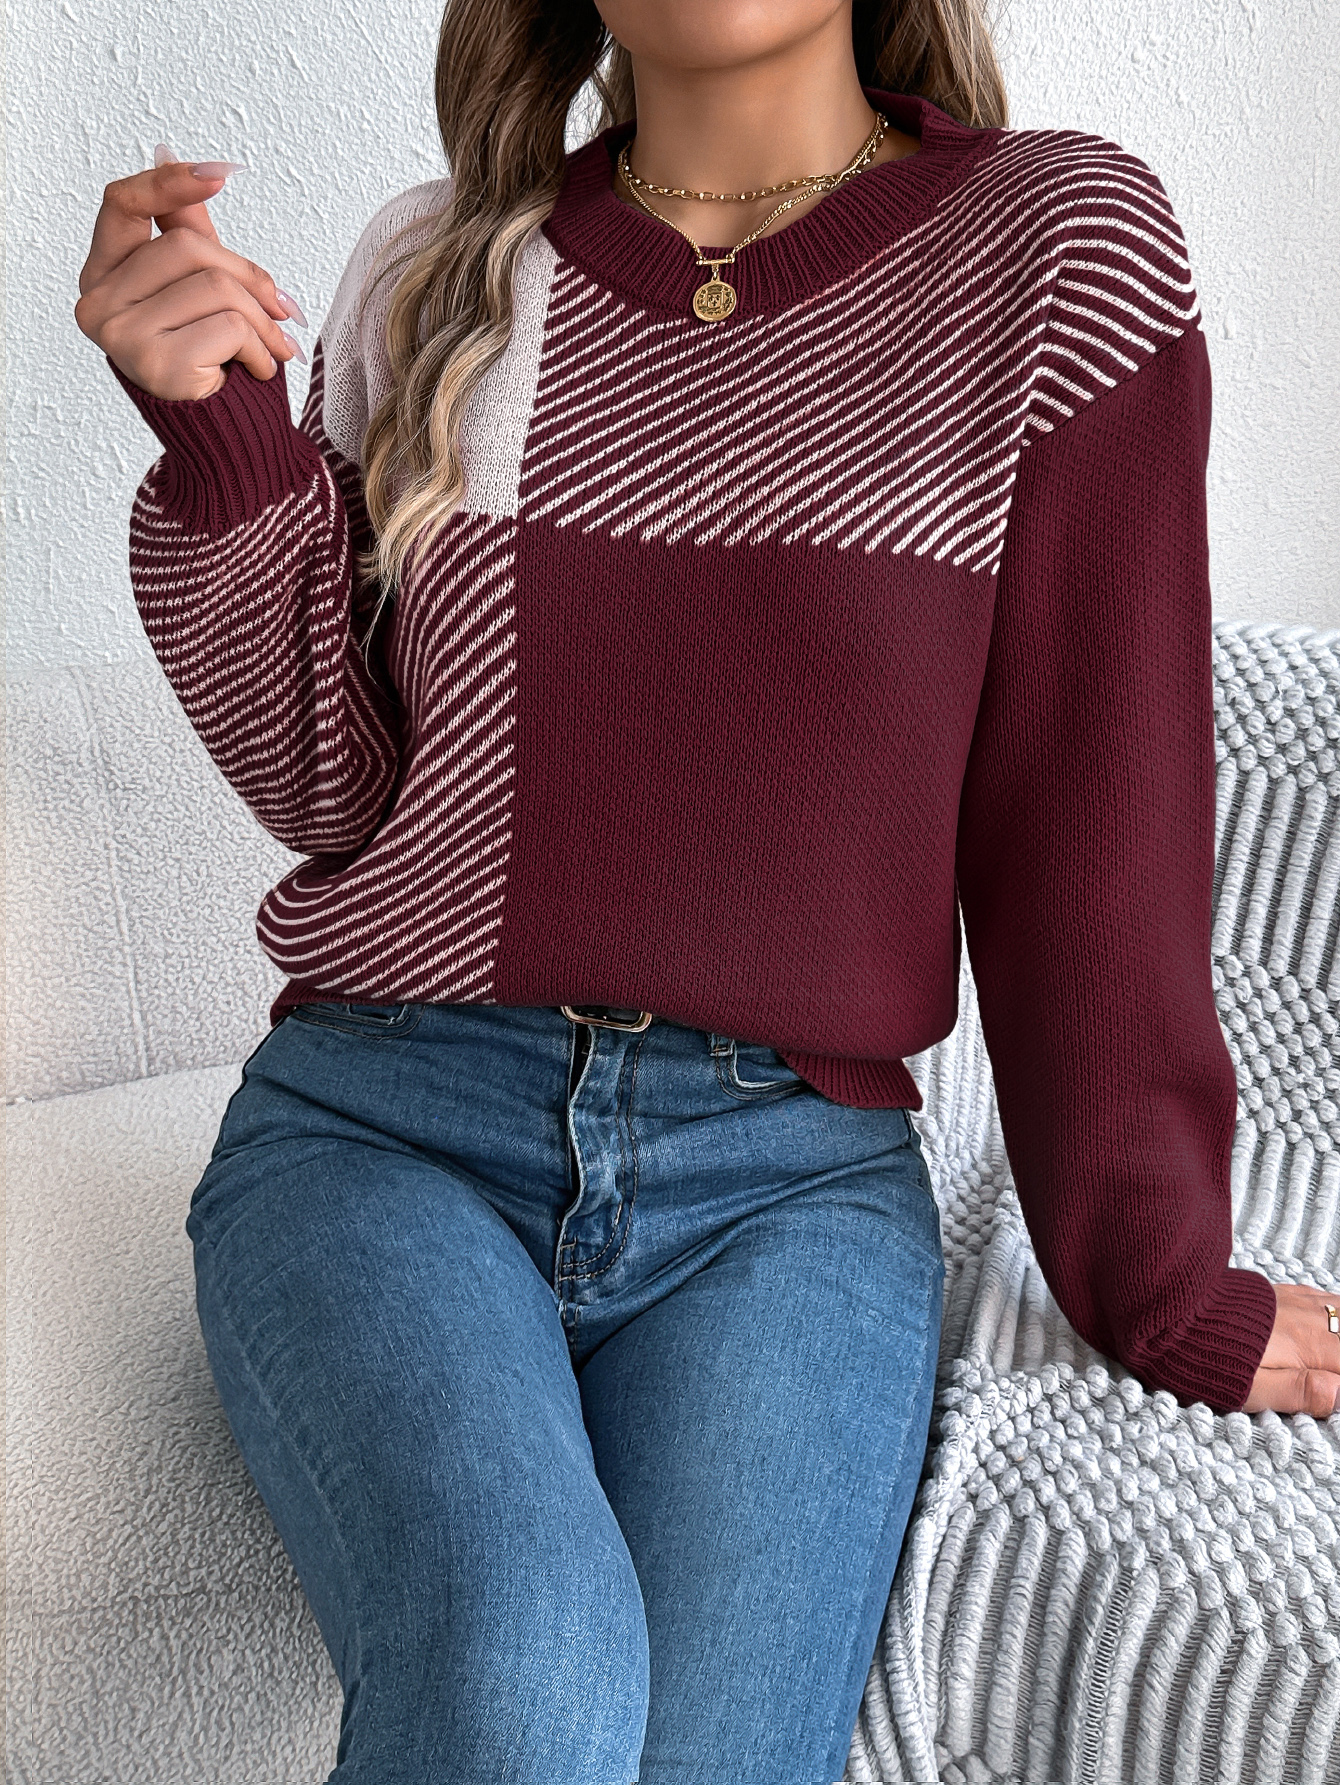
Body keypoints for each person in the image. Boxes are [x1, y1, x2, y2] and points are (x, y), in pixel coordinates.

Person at [74, 1, 1340, 1779]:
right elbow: (334, 792)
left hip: (785, 1185)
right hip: (385, 1130)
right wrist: (223, 446)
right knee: (525, 1673)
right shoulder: (435, 265)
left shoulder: (1053, 248)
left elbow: (1093, 810)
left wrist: (1156, 1276)